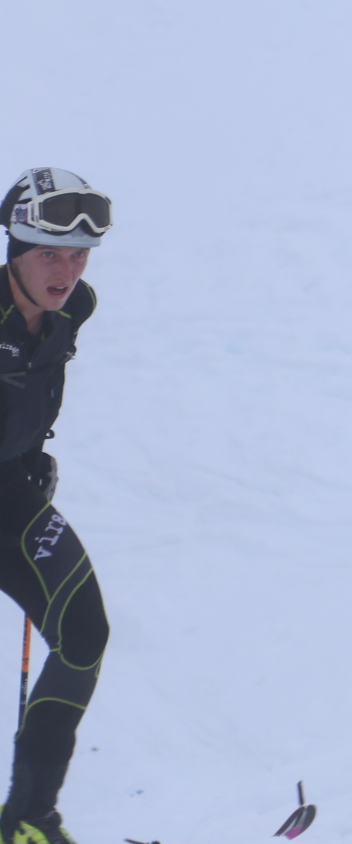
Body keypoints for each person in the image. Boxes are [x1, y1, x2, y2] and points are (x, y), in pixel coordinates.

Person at [0, 169, 112, 844]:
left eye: (78, 255)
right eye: (49, 253)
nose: (66, 272)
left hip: (9, 493)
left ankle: (28, 821)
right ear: (15, 249)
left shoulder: (75, 308)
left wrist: (28, 453)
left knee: (84, 634)